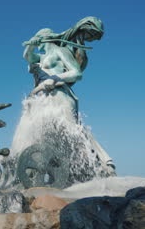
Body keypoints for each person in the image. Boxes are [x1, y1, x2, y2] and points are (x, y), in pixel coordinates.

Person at [22, 17, 114, 169]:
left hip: (61, 95)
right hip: (44, 99)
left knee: (74, 130)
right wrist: (31, 44)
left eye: (39, 41)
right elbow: (27, 56)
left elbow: (76, 73)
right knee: (44, 136)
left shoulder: (60, 51)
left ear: (45, 39)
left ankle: (105, 160)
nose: (38, 45)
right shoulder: (41, 57)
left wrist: (55, 78)